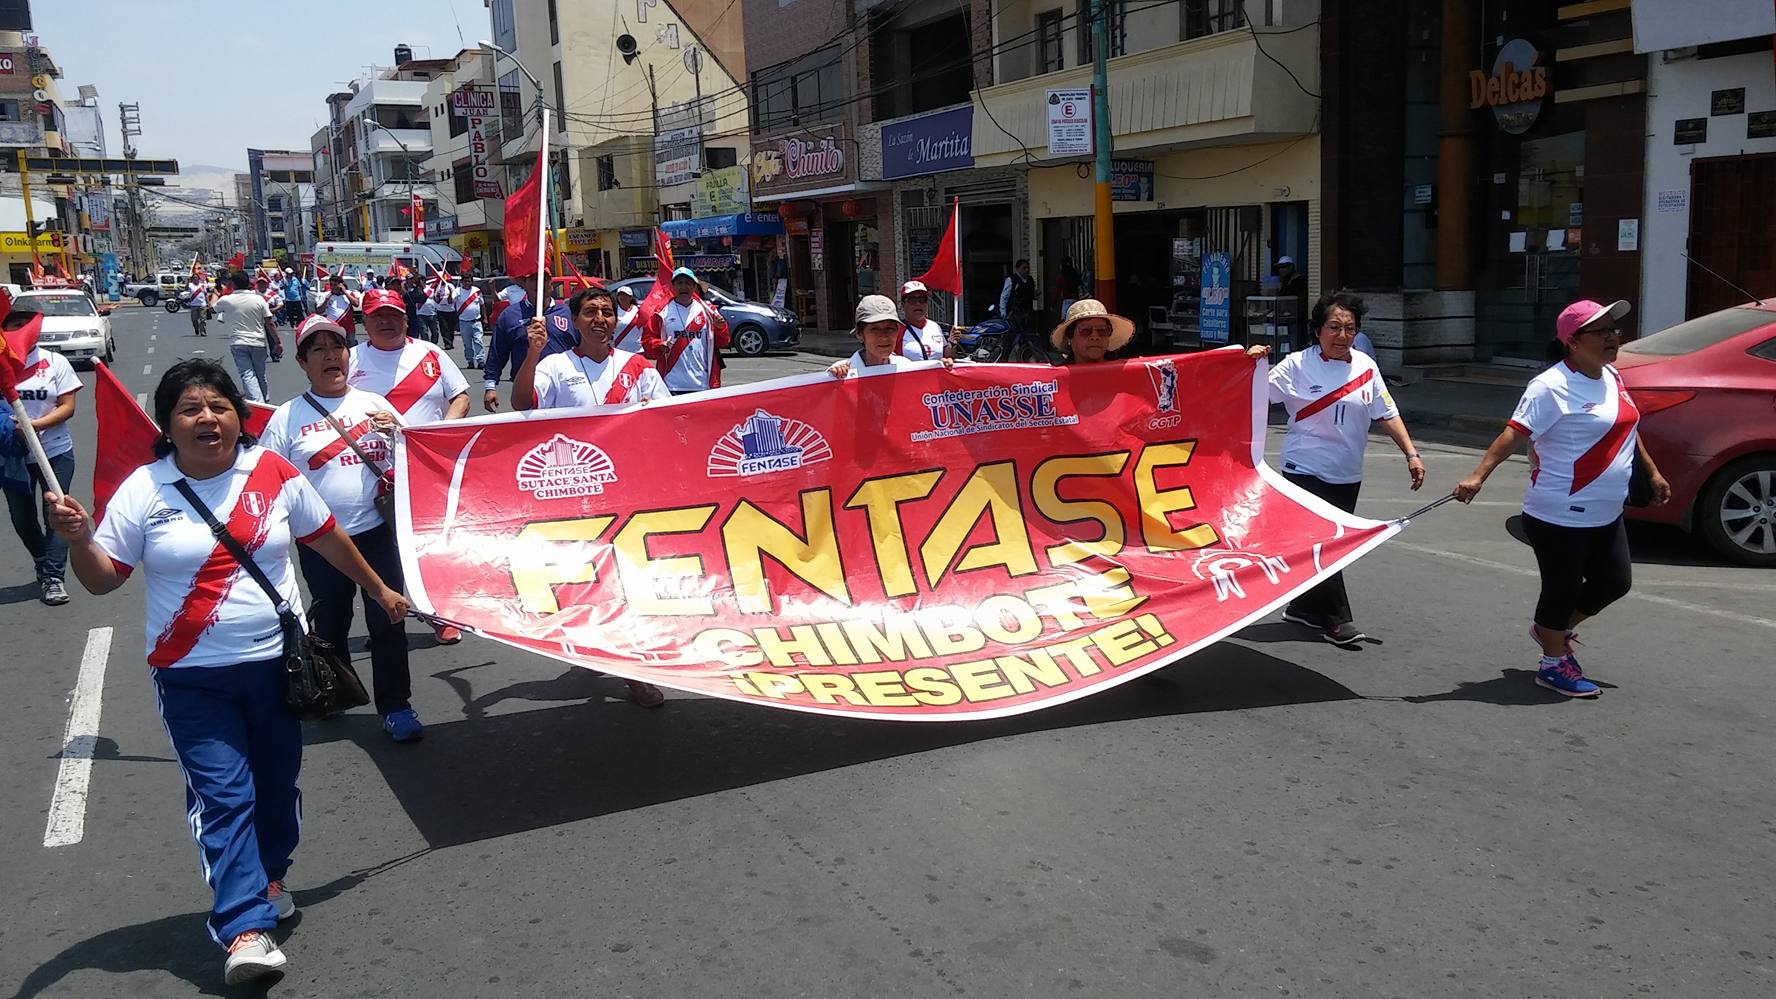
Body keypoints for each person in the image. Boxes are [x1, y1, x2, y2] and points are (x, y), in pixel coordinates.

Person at [44, 359, 409, 985]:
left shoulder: (272, 471)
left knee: (276, 787)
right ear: (168, 424)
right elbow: (103, 582)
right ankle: (242, 926)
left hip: (278, 667)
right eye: (190, 409)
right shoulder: (144, 489)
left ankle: (268, 878)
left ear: (239, 418)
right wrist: (79, 540)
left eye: (219, 406)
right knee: (224, 795)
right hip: (192, 677)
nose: (207, 419)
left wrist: (379, 591)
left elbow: (324, 537)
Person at [1454, 299, 1670, 698]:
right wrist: (1477, 475)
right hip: (1559, 512)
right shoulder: (1550, 386)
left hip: (1606, 510)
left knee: (1615, 581)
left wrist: (1652, 472)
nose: (1612, 337)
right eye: (1601, 331)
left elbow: (1627, 429)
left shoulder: (1611, 376)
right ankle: (1553, 663)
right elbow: (1514, 433)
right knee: (1561, 587)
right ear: (1572, 341)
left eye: (1614, 330)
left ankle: (1550, 630)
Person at [261, 315, 422, 739]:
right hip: (322, 542)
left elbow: (414, 463)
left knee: (389, 618)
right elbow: (267, 480)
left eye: (338, 347)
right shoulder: (286, 418)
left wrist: (401, 436)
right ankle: (335, 689)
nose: (332, 355)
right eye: (319, 349)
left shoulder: (376, 405)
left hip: (377, 533)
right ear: (302, 362)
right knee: (331, 622)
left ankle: (396, 706)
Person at [1268, 290, 1425, 646]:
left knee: (1324, 543)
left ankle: (1304, 608)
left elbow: (1386, 411)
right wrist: (1249, 363)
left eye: (1350, 329)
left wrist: (1411, 454)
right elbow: (1251, 394)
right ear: (1318, 330)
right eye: (1334, 327)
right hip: (1303, 466)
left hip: (1346, 469)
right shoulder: (1296, 365)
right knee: (1330, 543)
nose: (1342, 336)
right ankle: (1339, 620)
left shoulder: (1365, 367)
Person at [347, 288, 470, 645]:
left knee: (428, 547)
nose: (386, 322)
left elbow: (460, 396)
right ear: (365, 322)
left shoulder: (430, 355)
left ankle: (438, 613)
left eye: (393, 315)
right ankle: (386, 617)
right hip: (369, 472)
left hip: (423, 470)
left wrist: (439, 433)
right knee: (382, 552)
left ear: (405, 317)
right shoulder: (351, 361)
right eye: (377, 316)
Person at [4, 306, 79, 605]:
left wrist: (34, 425)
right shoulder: (1, 364)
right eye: (13, 324)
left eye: (26, 324)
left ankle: (53, 577)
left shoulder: (55, 363)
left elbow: (67, 406)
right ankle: (41, 558)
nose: (21, 329)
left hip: (55, 451)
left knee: (57, 513)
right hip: (12, 455)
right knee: (21, 516)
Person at [483, 272, 573, 413]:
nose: (539, 283)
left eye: (545, 279)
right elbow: (497, 353)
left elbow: (583, 348)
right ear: (524, 285)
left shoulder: (568, 314)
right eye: (533, 279)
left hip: (564, 388)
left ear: (551, 285)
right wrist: (490, 386)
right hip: (527, 390)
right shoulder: (510, 315)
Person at [643, 266, 730, 394]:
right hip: (671, 386)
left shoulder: (708, 311)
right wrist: (659, 345)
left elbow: (723, 342)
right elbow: (647, 343)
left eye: (687, 283)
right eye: (679, 283)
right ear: (673, 286)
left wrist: (720, 328)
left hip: (703, 385)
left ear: (694, 287)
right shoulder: (661, 312)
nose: (683, 287)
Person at [829, 295, 954, 379]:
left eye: (890, 329)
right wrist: (834, 380)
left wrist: (940, 371)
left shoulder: (906, 367)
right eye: (874, 329)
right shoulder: (841, 373)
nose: (884, 337)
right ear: (860, 335)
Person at [213, 271, 281, 402]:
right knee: (260, 374)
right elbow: (270, 323)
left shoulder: (227, 300)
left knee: (247, 374)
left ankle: (258, 402)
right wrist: (278, 342)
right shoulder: (259, 299)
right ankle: (264, 399)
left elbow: (212, 307)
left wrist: (215, 294)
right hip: (258, 342)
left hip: (238, 342)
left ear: (233, 284)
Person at [897, 280, 949, 362]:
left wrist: (953, 342)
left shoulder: (935, 326)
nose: (918, 304)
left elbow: (946, 355)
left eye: (922, 299)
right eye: (912, 300)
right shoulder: (897, 330)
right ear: (903, 304)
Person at [454, 275, 487, 369]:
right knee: (467, 343)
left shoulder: (476, 290)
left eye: (469, 281)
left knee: (478, 341)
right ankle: (470, 361)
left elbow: (482, 304)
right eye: (465, 281)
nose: (467, 283)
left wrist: (485, 318)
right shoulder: (457, 291)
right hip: (464, 322)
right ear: (462, 282)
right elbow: (451, 300)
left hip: (476, 321)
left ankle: (481, 360)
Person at [318, 274, 359, 345]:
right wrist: (326, 300)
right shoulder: (327, 295)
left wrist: (345, 292)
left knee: (351, 347)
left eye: (335, 284)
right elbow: (319, 311)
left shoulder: (349, 293)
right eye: (331, 284)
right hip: (334, 327)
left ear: (340, 285)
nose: (333, 287)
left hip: (348, 328)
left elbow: (356, 303)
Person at [998, 258, 1036, 335]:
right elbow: (1004, 297)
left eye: (1028, 268)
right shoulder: (1011, 280)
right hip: (1015, 312)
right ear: (1018, 269)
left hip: (1028, 311)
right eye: (1024, 268)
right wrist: (1003, 312)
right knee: (1013, 332)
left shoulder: (1030, 280)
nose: (1026, 270)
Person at [611, 286, 644, 352]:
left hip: (637, 350)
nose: (622, 297)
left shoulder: (639, 309)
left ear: (630, 297)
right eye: (620, 295)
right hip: (619, 350)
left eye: (626, 295)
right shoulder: (613, 311)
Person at [403, 276, 434, 343]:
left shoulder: (416, 290)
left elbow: (422, 299)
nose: (411, 281)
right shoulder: (403, 289)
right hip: (404, 315)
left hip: (413, 315)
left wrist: (421, 288)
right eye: (409, 279)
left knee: (414, 335)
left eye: (412, 279)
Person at [432, 271, 459, 350]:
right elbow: (436, 300)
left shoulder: (450, 286)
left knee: (451, 327)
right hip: (441, 310)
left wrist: (450, 292)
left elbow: (451, 300)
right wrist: (437, 295)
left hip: (451, 310)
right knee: (444, 328)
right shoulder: (438, 287)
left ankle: (451, 341)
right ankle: (447, 343)